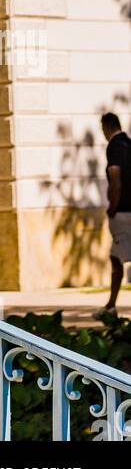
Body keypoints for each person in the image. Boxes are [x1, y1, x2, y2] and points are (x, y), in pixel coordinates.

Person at [98, 112, 131, 318]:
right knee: (117, 257)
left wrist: (113, 205)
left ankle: (110, 305)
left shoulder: (114, 147)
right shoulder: (129, 143)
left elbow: (116, 178)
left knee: (116, 259)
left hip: (122, 211)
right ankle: (110, 303)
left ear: (107, 127)